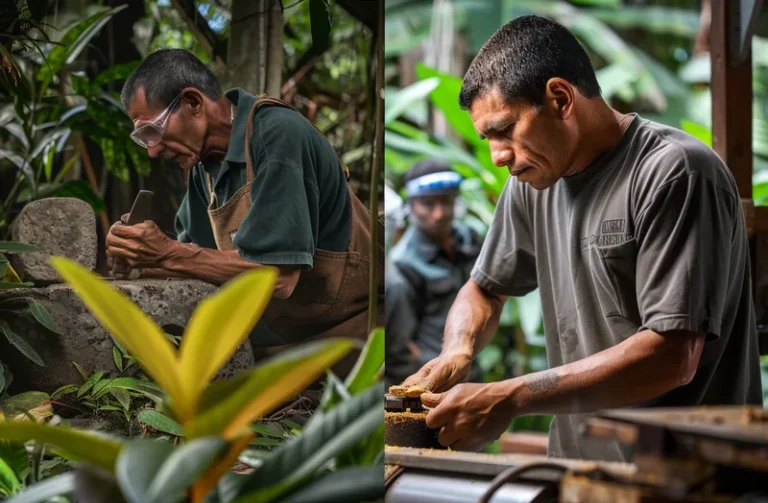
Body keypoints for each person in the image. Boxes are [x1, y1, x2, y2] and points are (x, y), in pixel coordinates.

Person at [401, 15, 762, 462]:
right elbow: (484, 288)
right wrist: (459, 347)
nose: (497, 156)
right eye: (488, 138)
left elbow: (673, 356)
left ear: (560, 98)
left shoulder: (675, 172)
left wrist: (508, 397)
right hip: (576, 469)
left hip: (686, 477)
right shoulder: (532, 183)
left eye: (504, 130)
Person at [106, 49, 383, 351]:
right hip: (285, 338)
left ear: (193, 103)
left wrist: (164, 253)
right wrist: (139, 258)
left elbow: (279, 277)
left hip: (353, 335)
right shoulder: (203, 167)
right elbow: (196, 258)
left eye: (152, 131)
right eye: (143, 138)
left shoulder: (277, 135)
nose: (152, 151)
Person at [385, 161, 483, 387]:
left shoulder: (470, 239)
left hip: (472, 370)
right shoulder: (404, 264)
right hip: (435, 381)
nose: (439, 214)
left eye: (446, 201)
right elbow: (399, 345)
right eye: (428, 204)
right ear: (411, 205)